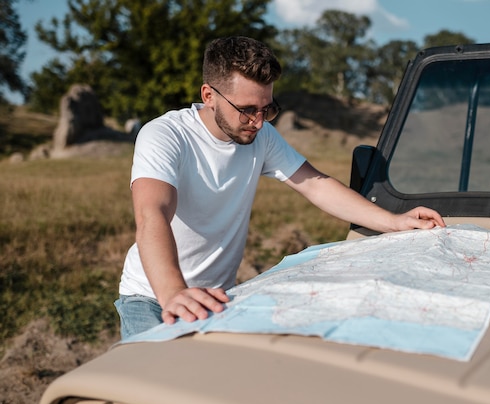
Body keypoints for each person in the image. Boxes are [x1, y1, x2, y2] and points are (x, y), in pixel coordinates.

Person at [115, 36, 446, 340]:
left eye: (267, 109)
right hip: (153, 296)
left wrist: (394, 221)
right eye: (247, 110)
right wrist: (173, 292)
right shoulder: (165, 135)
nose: (258, 122)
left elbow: (315, 185)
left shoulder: (261, 136)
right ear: (209, 96)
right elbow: (152, 214)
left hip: (215, 298)